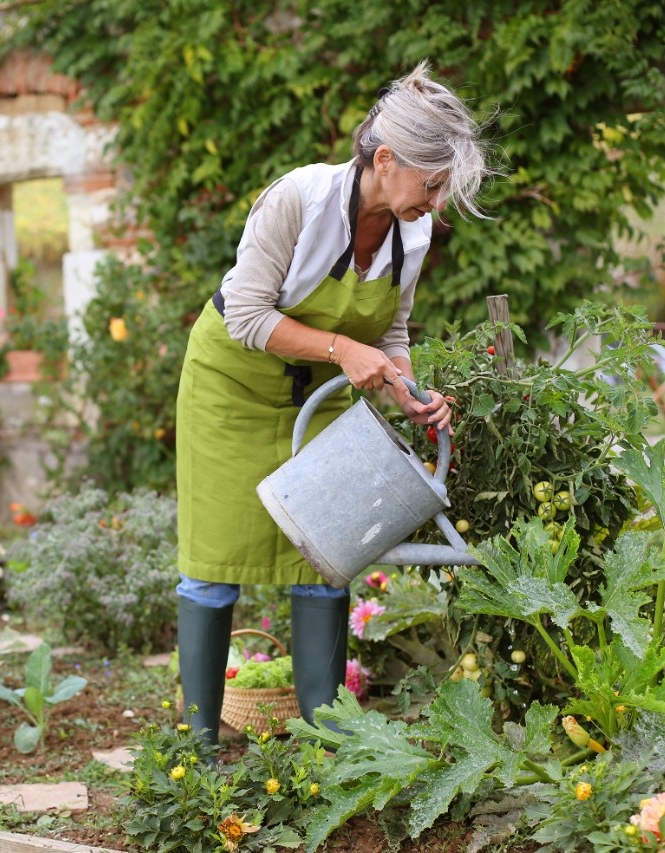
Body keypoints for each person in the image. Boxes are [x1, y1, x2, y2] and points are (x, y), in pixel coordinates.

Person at [175, 60, 491, 743]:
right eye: (431, 184)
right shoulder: (298, 200)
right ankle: (196, 748)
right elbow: (248, 316)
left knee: (326, 553)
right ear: (386, 159)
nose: (435, 202)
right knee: (213, 566)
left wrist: (407, 388)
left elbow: (393, 329)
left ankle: (325, 740)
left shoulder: (413, 232)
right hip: (229, 391)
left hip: (314, 399)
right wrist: (345, 351)